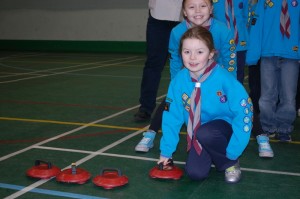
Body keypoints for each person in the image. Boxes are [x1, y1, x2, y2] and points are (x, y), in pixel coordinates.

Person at [135, 0, 237, 152]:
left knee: (238, 101)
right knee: (169, 103)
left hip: (215, 81)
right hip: (189, 80)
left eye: (203, 6)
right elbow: (175, 59)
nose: (197, 11)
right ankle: (151, 133)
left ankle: (260, 134)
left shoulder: (223, 31)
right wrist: (177, 83)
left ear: (211, 9)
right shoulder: (177, 32)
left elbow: (229, 59)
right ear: (184, 12)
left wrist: (228, 84)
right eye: (191, 7)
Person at [158, 26, 252, 184]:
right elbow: (170, 116)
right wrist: (166, 152)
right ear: (180, 53)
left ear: (211, 54)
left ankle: (230, 163)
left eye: (199, 52)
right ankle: (214, 153)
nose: (192, 58)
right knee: (195, 173)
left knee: (206, 133)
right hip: (199, 132)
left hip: (224, 130)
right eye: (187, 52)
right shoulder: (178, 81)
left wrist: (234, 149)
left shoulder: (224, 79)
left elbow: (244, 113)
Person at [246, 0, 300, 157]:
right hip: (268, 53)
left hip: (292, 54)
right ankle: (267, 126)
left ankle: (284, 127)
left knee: (289, 95)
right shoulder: (263, 2)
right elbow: (256, 27)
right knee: (267, 94)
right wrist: (253, 55)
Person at [133, 0, 182, 123]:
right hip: (158, 17)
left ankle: (185, 108)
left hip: (186, 17)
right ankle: (146, 107)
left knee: (189, 64)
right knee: (153, 64)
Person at [212, 0, 249, 83]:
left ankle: (236, 94)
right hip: (217, 43)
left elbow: (246, 18)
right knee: (217, 73)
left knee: (238, 75)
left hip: (239, 44)